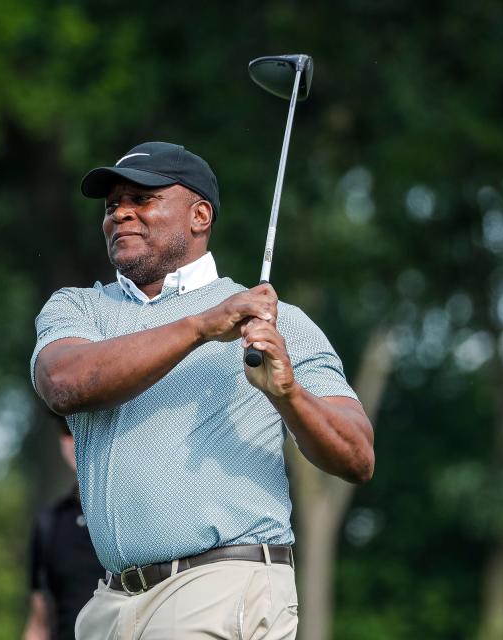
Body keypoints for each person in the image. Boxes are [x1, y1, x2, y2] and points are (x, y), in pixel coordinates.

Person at [31, 141, 375, 640]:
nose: (120, 214)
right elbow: (62, 383)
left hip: (220, 584)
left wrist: (288, 394)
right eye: (112, 206)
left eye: (142, 199)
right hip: (109, 603)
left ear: (198, 215)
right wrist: (201, 326)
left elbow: (357, 455)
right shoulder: (79, 308)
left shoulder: (279, 322)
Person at [23, 423, 105, 640]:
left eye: (84, 426)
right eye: (68, 431)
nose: (75, 439)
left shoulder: (131, 515)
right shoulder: (49, 521)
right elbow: (39, 621)